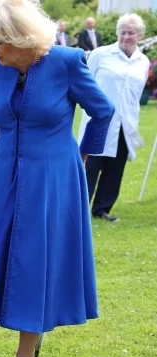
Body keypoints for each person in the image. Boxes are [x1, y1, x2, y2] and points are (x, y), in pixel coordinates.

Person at [0, 1, 115, 357]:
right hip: (4, 174)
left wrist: (80, 160)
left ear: (22, 39)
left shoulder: (67, 61)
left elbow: (103, 112)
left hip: (53, 179)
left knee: (36, 262)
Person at [79, 13, 149, 223]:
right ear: (118, 33)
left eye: (131, 33)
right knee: (90, 165)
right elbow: (84, 83)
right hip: (99, 121)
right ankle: (81, 206)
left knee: (115, 168)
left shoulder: (143, 61)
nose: (126, 36)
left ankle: (102, 209)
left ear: (139, 36)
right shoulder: (101, 54)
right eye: (123, 32)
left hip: (126, 122)